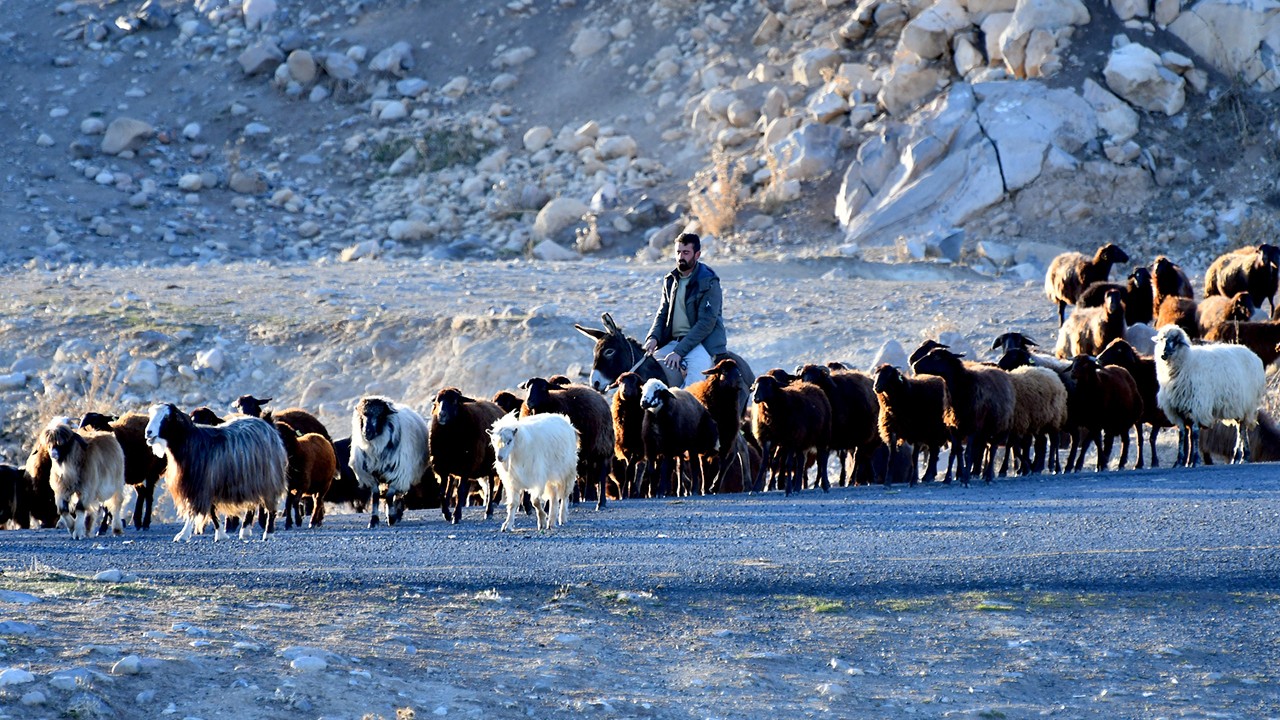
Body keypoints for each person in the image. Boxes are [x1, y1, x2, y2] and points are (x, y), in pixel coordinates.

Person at [642, 232, 727, 387]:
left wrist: (679, 352)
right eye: (678, 252)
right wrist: (653, 337)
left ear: (697, 254)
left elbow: (706, 323)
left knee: (694, 385)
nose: (681, 257)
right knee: (642, 370)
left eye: (686, 252)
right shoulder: (670, 280)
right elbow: (662, 314)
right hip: (672, 342)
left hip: (700, 344)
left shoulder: (708, 281)